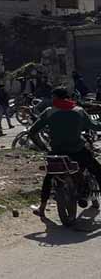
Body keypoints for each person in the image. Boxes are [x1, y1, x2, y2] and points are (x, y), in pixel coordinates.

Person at [29, 87, 101, 217]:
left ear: (55, 98)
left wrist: (43, 147)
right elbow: (94, 126)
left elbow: (32, 132)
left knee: (49, 177)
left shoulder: (49, 112)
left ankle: (42, 208)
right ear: (68, 97)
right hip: (77, 151)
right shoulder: (79, 111)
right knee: (97, 170)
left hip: (57, 152)